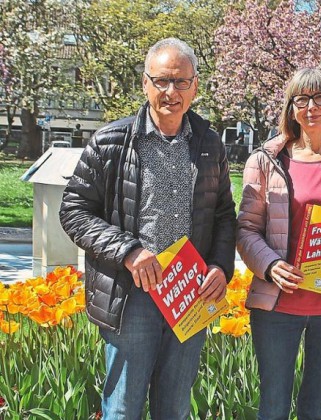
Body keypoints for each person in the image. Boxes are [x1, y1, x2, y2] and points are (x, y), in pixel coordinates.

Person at [59, 38, 236, 419]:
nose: (171, 92)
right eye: (161, 81)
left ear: (195, 87)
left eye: (181, 82)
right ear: (145, 83)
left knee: (174, 408)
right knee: (123, 408)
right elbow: (74, 211)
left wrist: (221, 266)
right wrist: (128, 251)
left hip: (189, 290)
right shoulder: (110, 142)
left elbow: (224, 214)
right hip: (132, 295)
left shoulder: (210, 145)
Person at [236, 68, 321, 420]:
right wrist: (270, 265)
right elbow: (246, 229)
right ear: (291, 108)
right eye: (302, 99)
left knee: (315, 409)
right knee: (273, 408)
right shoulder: (265, 160)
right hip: (278, 306)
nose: (312, 107)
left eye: (320, 97)